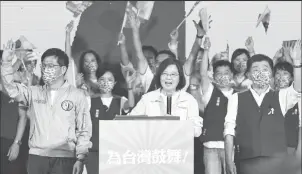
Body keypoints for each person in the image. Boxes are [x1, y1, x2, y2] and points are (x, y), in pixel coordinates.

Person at [1, 41, 92, 174]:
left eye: (51, 66)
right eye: (44, 66)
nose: (45, 69)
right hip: (37, 157)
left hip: (64, 157)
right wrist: (6, 64)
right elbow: (11, 90)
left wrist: (81, 157)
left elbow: (84, 129)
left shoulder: (77, 95)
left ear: (63, 69)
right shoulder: (34, 91)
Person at [224, 39, 301, 174]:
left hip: (277, 162)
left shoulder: (281, 96)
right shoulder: (236, 98)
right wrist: (229, 160)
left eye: (265, 69)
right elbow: (229, 132)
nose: (260, 72)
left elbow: (297, 90)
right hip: (247, 161)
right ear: (248, 75)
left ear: (271, 74)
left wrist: (296, 63)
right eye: (255, 69)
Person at [129, 58, 203, 137]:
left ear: (180, 77)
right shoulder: (147, 98)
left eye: (173, 74)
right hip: (152, 146)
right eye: (164, 73)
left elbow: (197, 131)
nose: (168, 77)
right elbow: (129, 122)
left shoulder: (189, 99)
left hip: (179, 147)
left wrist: (177, 125)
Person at [86, 67, 135, 174]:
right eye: (102, 79)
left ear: (115, 83)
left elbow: (130, 105)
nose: (106, 82)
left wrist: (129, 86)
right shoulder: (89, 100)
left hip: (114, 152)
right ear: (98, 81)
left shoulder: (121, 100)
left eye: (109, 80)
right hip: (94, 151)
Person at [199, 37, 235, 174]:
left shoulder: (238, 95)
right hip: (210, 147)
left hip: (230, 147)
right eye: (218, 74)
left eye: (226, 73)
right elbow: (202, 74)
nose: (223, 76)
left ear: (232, 74)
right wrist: (206, 50)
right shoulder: (210, 92)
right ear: (213, 76)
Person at [273, 61, 300, 155]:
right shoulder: (269, 95)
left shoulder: (296, 97)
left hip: (291, 146)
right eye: (278, 73)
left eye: (285, 73)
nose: (281, 77)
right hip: (271, 146)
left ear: (292, 77)